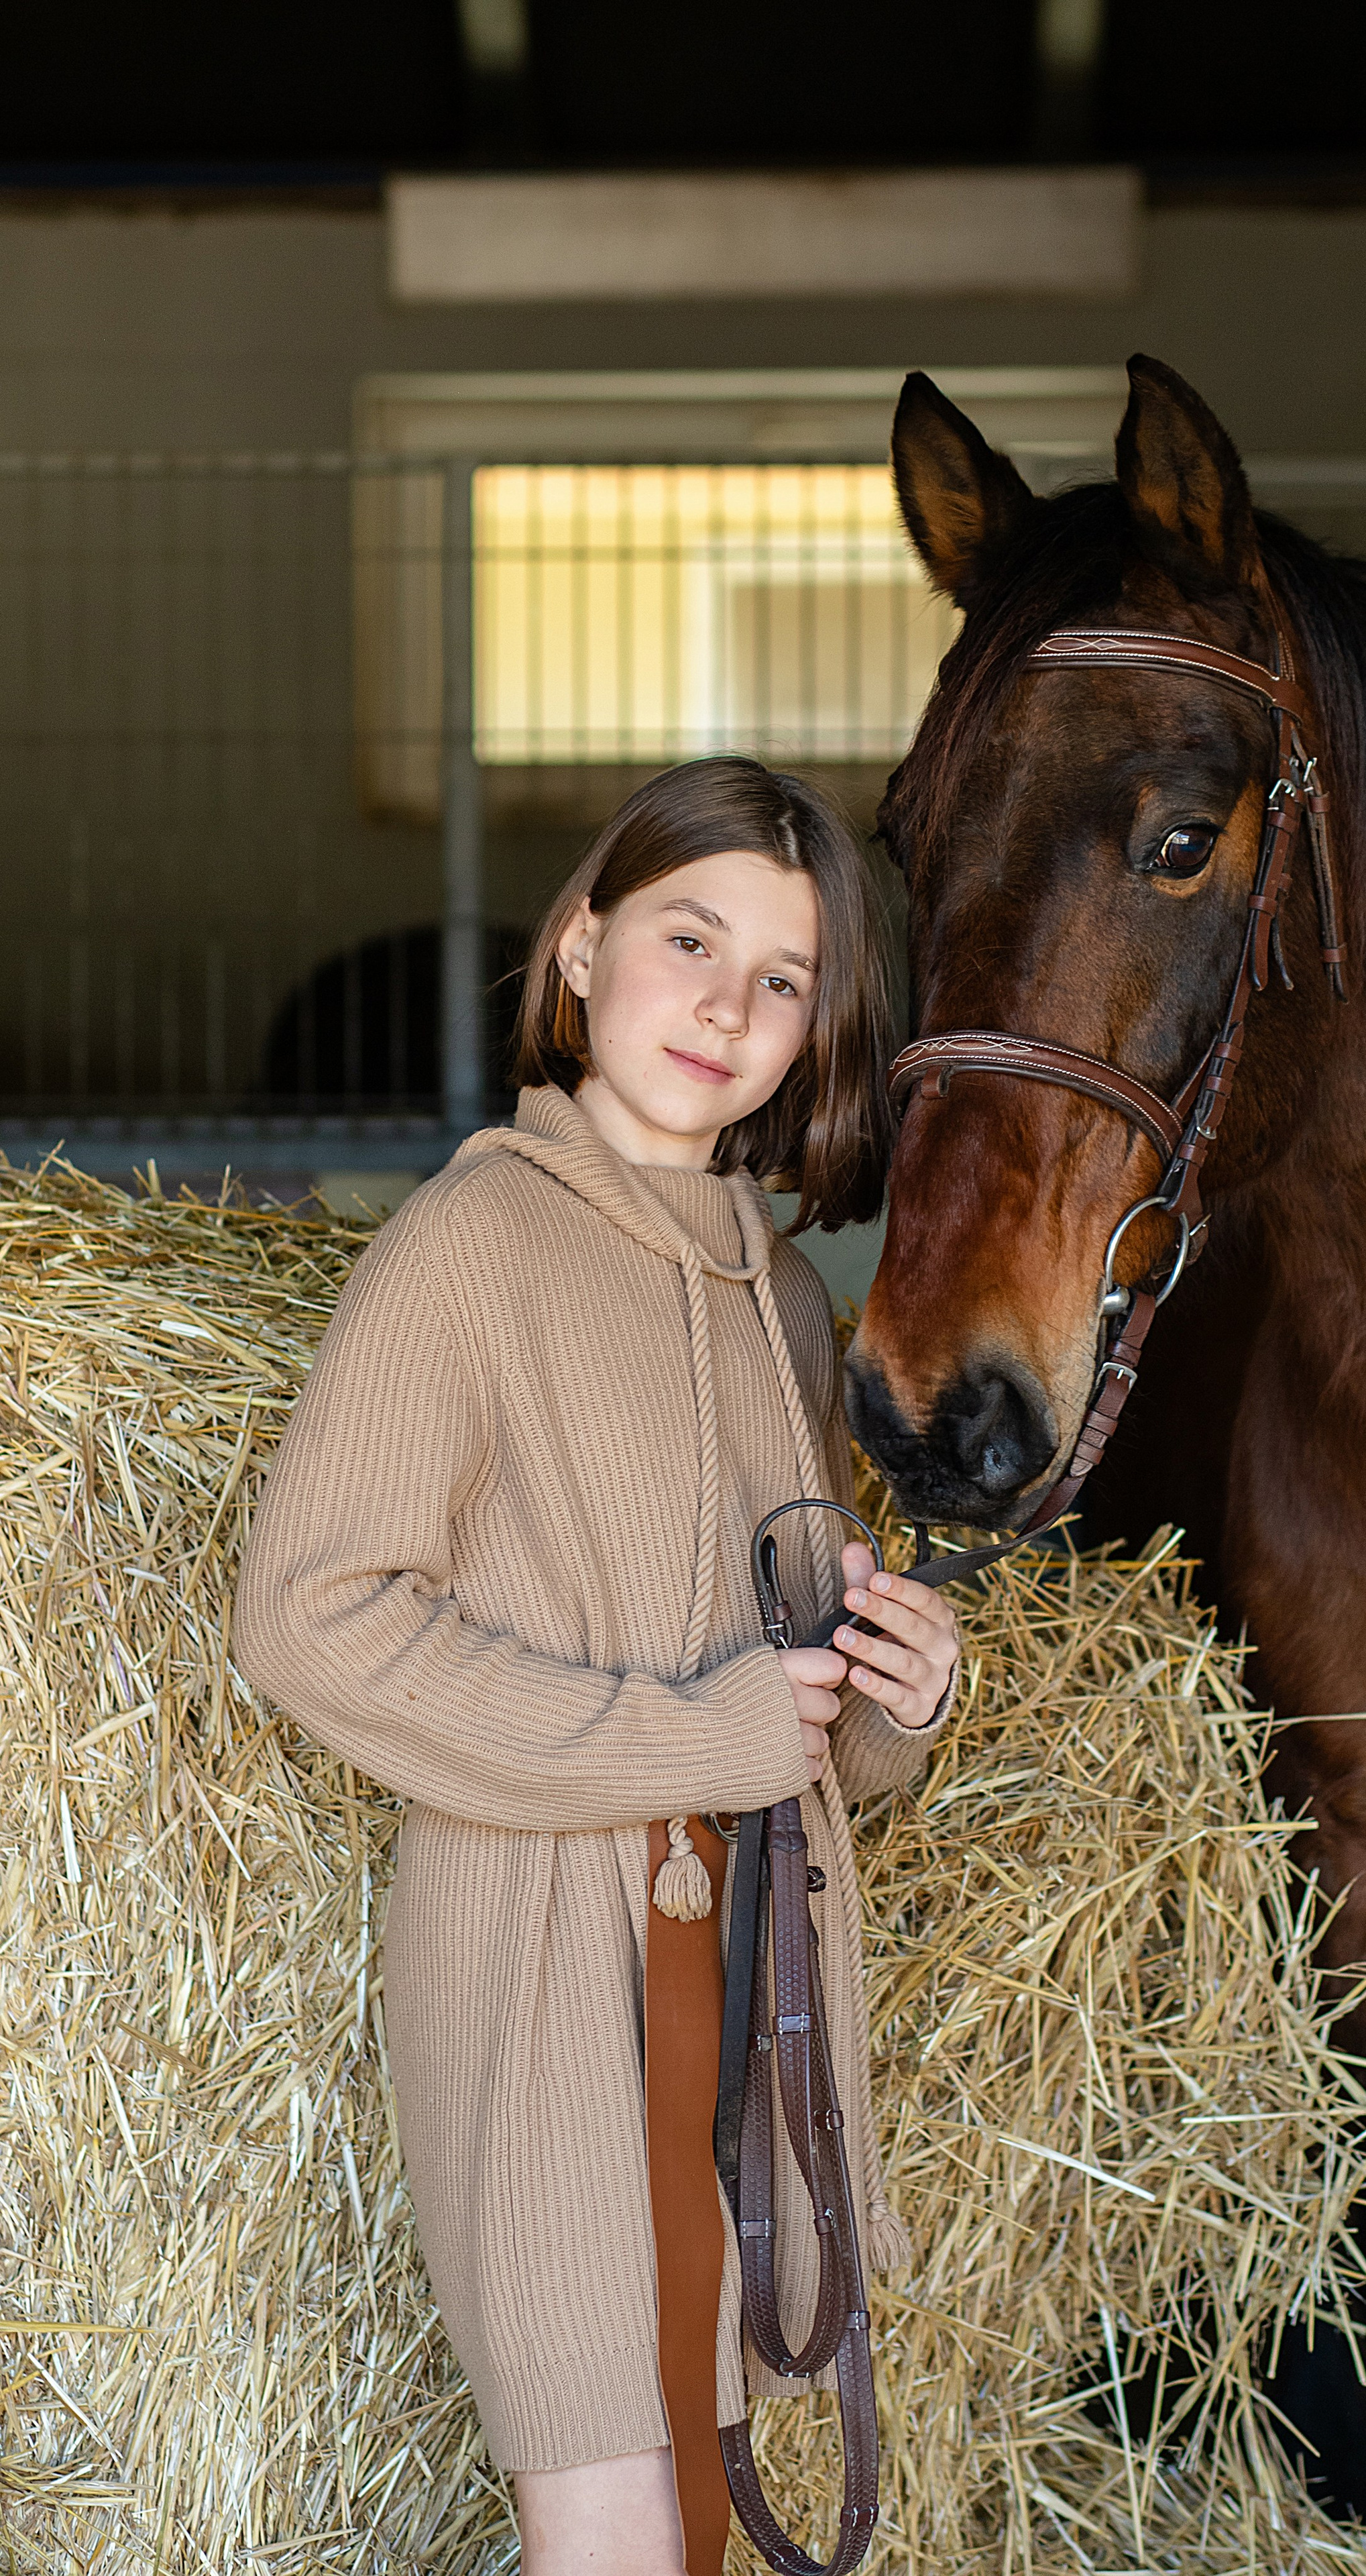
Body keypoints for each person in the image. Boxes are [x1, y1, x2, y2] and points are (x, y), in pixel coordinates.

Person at [234, 758, 958, 2576]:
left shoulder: (787, 1299)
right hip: (548, 1954)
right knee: (617, 2523)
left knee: (702, 2510)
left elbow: (798, 1730)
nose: (726, 1003)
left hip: (754, 1965)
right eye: (688, 937)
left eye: (783, 976)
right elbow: (307, 1614)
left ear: (819, 1029)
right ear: (581, 947)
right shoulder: (466, 1248)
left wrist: (894, 1692)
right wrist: (680, 1733)